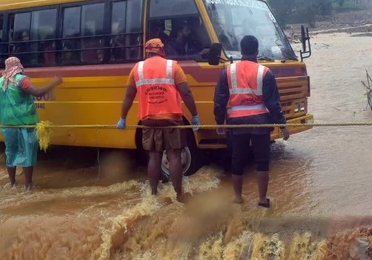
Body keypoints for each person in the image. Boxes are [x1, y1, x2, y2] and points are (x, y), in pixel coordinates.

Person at [116, 39, 200, 202]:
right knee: (174, 156)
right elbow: (186, 93)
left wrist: (123, 118)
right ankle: (178, 195)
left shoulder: (137, 69)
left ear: (147, 51)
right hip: (172, 119)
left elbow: (128, 96)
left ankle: (153, 194)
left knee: (154, 157)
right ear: (161, 50)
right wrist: (195, 115)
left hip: (148, 120)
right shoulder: (173, 67)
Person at [213, 35, 289, 207]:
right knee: (262, 161)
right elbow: (273, 103)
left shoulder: (228, 71)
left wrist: (219, 122)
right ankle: (262, 200)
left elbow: (219, 100)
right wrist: (283, 125)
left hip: (237, 122)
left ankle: (238, 198)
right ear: (256, 51)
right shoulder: (265, 72)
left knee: (237, 159)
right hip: (260, 122)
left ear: (241, 50)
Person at [0, 57, 62, 192]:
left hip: (8, 126)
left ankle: (12, 183)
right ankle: (28, 186)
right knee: (27, 153)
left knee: (10, 152)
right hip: (25, 125)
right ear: (19, 65)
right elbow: (38, 92)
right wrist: (55, 82)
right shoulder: (21, 80)